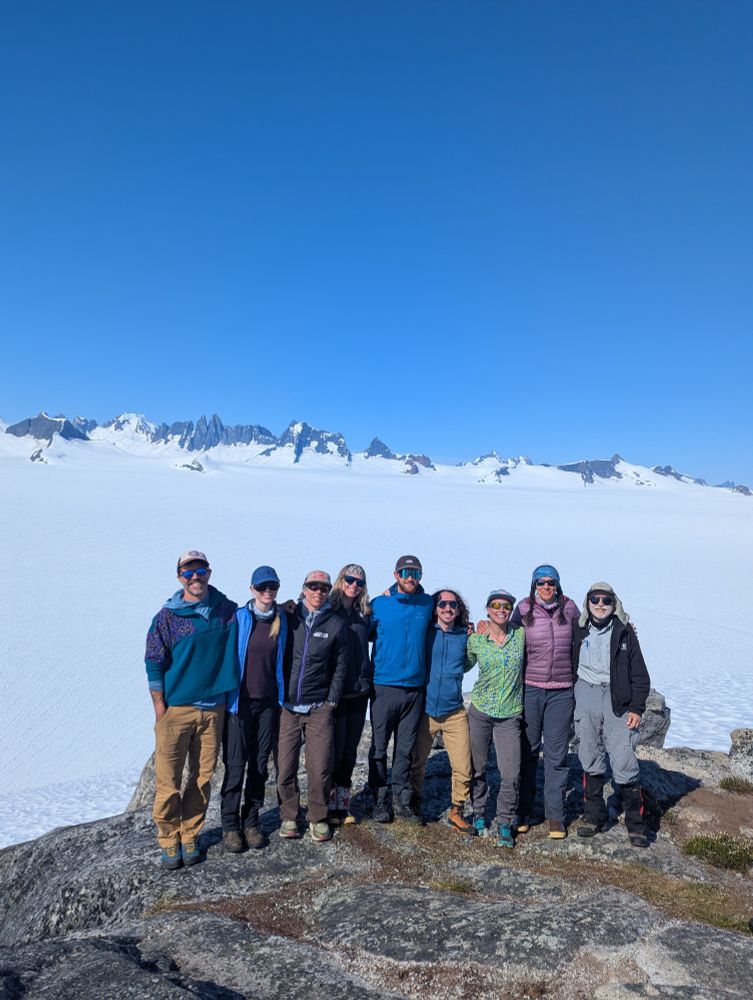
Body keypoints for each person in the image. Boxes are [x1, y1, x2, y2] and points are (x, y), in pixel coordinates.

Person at [144, 550, 238, 869]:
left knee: (201, 778)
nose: (195, 577)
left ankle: (190, 834)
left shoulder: (226, 611)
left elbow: (260, 615)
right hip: (177, 710)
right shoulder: (167, 618)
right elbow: (154, 661)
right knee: (168, 780)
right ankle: (169, 839)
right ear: (179, 577)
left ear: (209, 573)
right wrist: (160, 707)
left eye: (200, 571)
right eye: (188, 572)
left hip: (214, 709)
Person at [572, 582, 651, 848]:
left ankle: (636, 824)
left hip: (618, 698)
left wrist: (637, 708)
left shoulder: (625, 631)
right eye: (595, 599)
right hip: (586, 692)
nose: (600, 604)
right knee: (589, 753)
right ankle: (594, 816)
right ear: (588, 603)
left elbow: (640, 674)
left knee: (624, 757)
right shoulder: (578, 628)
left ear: (614, 602)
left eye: (606, 600)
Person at [276, 570, 349, 843]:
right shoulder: (288, 617)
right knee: (285, 766)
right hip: (289, 706)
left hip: (319, 706)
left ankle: (318, 817)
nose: (318, 592)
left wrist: (331, 701)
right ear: (303, 588)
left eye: (323, 588)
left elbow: (341, 666)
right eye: (313, 586)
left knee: (319, 768)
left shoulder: (335, 624)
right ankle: (289, 815)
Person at [221, 565, 288, 852]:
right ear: (251, 590)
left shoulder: (282, 619)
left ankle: (251, 821)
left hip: (268, 704)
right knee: (236, 766)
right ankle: (229, 825)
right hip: (240, 705)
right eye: (262, 587)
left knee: (260, 766)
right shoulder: (239, 618)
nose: (267, 592)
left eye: (272, 587)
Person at [509, 565, 579, 839]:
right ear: (534, 585)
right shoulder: (523, 609)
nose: (547, 587)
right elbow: (507, 635)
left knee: (556, 755)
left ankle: (556, 816)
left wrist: (625, 625)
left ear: (558, 585)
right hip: (531, 689)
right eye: (541, 582)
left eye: (551, 582)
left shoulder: (570, 608)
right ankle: (523, 811)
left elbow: (589, 629)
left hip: (562, 691)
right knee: (527, 752)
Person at [368, 555, 434, 823]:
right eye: (405, 572)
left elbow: (449, 615)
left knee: (405, 748)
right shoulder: (380, 604)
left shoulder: (427, 603)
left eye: (415, 573)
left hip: (415, 688)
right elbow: (362, 631)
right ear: (395, 575)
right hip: (384, 685)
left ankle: (402, 800)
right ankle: (379, 800)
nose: (410, 578)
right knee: (380, 747)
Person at [410, 589, 474, 833]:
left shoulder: (464, 636)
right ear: (435, 608)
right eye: (443, 604)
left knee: (463, 767)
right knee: (417, 762)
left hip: (454, 712)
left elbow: (469, 662)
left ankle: (456, 809)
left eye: (453, 605)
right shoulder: (424, 633)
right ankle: (414, 801)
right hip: (425, 710)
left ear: (458, 610)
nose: (448, 609)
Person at [466, 589, 525, 848]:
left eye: (506, 606)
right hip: (480, 711)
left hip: (510, 714)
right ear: (488, 609)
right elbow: (462, 664)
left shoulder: (520, 635)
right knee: (477, 767)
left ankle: (504, 821)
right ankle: (478, 812)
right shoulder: (477, 639)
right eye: (496, 605)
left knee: (510, 773)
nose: (501, 609)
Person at [329, 564, 373, 825]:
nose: (354, 585)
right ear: (341, 579)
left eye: (359, 581)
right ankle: (326, 804)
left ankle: (342, 807)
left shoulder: (365, 613)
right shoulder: (328, 610)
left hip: (359, 691)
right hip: (335, 692)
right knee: (332, 750)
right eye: (350, 579)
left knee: (349, 751)